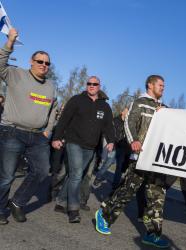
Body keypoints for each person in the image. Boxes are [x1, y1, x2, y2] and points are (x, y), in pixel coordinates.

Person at [95, 75, 170, 248]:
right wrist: (134, 140)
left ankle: (153, 234)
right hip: (140, 157)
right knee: (128, 190)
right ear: (150, 85)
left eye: (164, 86)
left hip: (157, 160)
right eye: (160, 85)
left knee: (157, 197)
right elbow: (130, 122)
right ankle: (104, 214)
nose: (163, 88)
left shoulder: (165, 109)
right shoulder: (140, 102)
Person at [0, 28, 57, 224]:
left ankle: (17, 202)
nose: (44, 65)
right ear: (31, 62)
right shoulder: (16, 74)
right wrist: (9, 43)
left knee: (42, 171)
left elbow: (53, 108)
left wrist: (48, 130)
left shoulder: (50, 85)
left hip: (38, 136)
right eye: (40, 61)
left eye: (47, 63)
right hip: (12, 132)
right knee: (7, 176)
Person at [51, 76, 115, 223]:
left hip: (90, 147)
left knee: (74, 174)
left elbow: (108, 126)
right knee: (77, 174)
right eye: (89, 83)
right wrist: (57, 137)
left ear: (99, 86)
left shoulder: (105, 107)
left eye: (95, 84)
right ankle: (73, 209)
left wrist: (111, 141)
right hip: (74, 142)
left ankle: (60, 201)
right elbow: (64, 120)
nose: (91, 86)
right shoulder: (77, 100)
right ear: (86, 85)